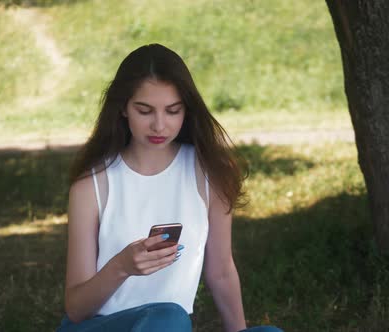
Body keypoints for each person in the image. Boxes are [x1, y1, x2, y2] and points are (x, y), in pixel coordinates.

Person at [59, 44, 283, 332]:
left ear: (186, 111)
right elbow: (76, 309)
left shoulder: (210, 173)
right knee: (169, 318)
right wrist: (121, 266)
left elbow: (221, 271)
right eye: (144, 110)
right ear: (124, 109)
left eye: (173, 111)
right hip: (101, 326)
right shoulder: (92, 185)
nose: (159, 125)